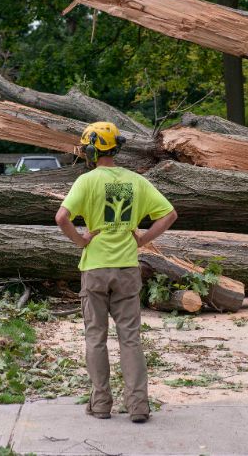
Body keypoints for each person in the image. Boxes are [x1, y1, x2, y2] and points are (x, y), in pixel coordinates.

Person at [54, 121, 178, 423]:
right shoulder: (136, 181)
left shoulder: (87, 181)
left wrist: (82, 240)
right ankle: (138, 406)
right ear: (116, 148)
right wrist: (143, 239)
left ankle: (100, 404)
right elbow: (170, 214)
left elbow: (61, 217)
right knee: (131, 339)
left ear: (91, 150)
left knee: (95, 338)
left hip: (95, 269)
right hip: (126, 269)